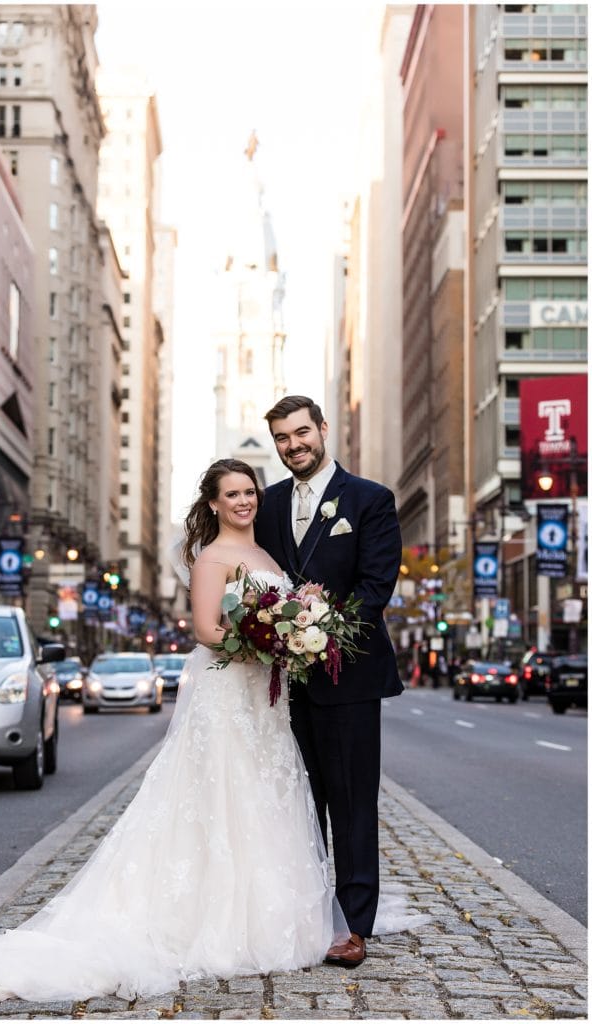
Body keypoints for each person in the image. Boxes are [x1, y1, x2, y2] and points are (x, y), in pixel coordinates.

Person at [0, 458, 344, 1002]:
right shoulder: (213, 556)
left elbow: (270, 612)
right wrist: (271, 642)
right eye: (231, 494)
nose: (243, 501)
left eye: (249, 492)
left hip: (264, 697)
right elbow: (208, 629)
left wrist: (297, 631)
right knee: (220, 794)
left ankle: (267, 912)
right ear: (212, 503)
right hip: (229, 690)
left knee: (265, 793)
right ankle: (214, 919)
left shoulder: (263, 554)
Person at [254, 395, 404, 969]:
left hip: (350, 681)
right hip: (281, 684)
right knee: (296, 804)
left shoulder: (370, 500)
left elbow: (375, 586)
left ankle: (356, 928)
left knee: (351, 805)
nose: (294, 446)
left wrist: (320, 624)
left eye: (301, 433)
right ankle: (304, 917)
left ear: (322, 429)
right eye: (282, 439)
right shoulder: (265, 505)